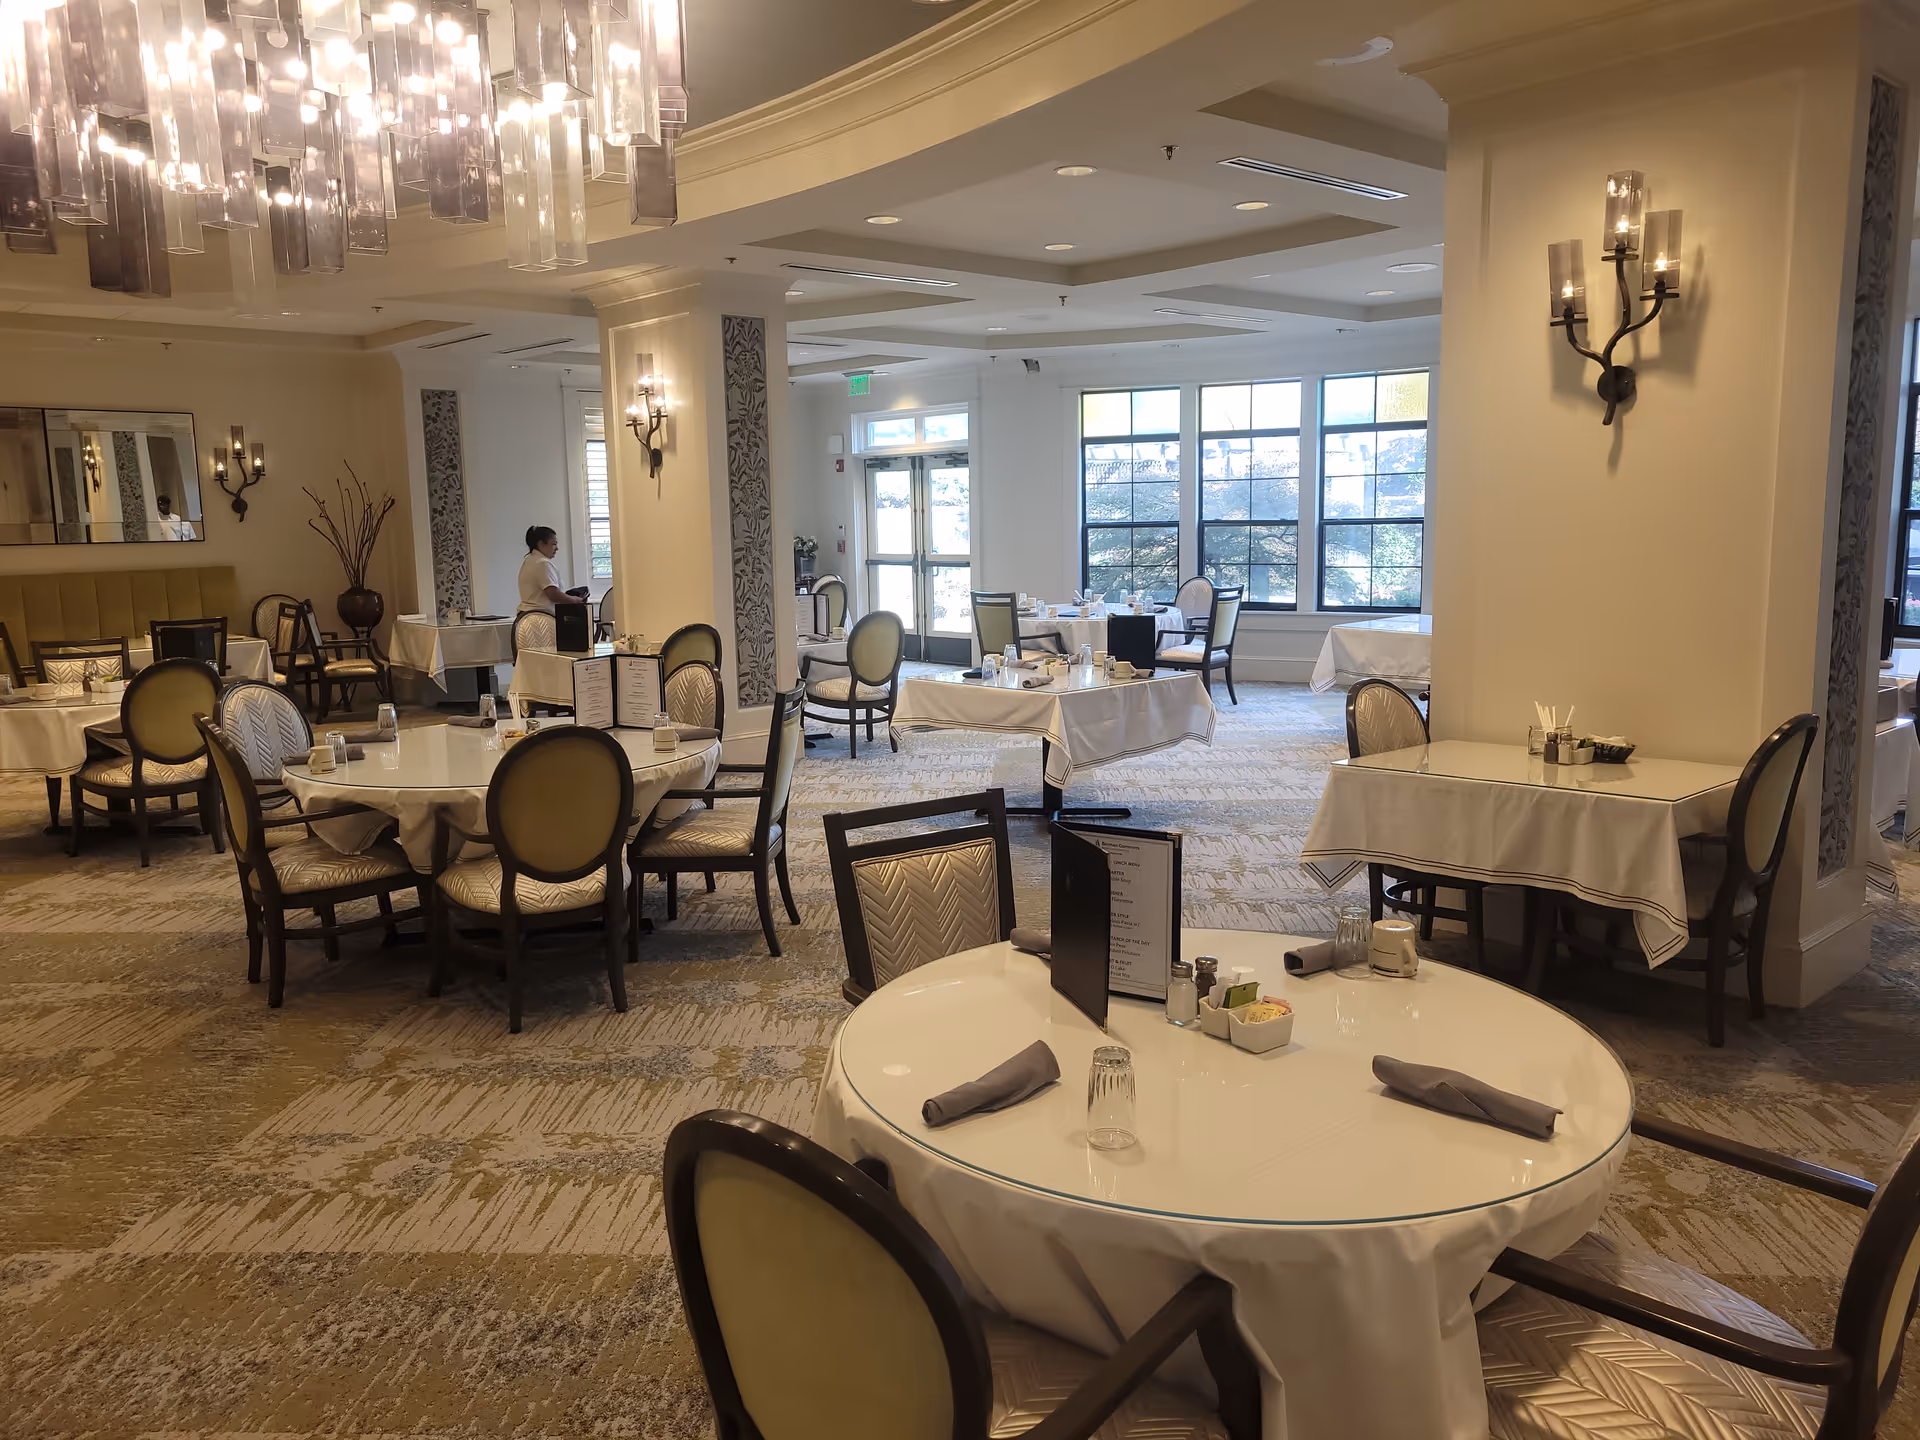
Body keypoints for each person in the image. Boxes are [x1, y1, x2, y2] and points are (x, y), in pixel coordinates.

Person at [518, 526, 569, 615]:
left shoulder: (529, 561)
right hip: (541, 618)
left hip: (527, 615)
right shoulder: (542, 563)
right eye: (554, 544)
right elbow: (553, 594)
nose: (557, 548)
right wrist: (573, 599)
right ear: (541, 543)